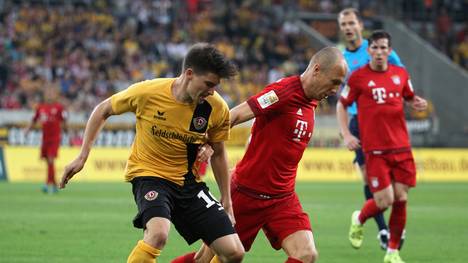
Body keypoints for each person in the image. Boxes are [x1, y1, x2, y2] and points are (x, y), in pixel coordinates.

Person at [59, 43, 245, 263]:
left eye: (215, 86)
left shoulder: (216, 107)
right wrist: (82, 156)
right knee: (158, 234)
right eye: (208, 84)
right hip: (150, 176)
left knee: (234, 253)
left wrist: (227, 199)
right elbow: (103, 109)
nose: (212, 91)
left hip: (188, 183)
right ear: (189, 74)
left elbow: (218, 152)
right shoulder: (148, 92)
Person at [172, 46, 348, 263]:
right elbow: (234, 115)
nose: (335, 90)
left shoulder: (312, 99)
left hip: (283, 198)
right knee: (205, 260)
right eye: (334, 82)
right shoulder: (282, 93)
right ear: (317, 70)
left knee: (306, 254)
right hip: (247, 195)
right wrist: (206, 142)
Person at [337, 30, 427, 263]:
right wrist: (346, 134)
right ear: (369, 51)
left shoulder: (400, 73)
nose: (379, 52)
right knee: (384, 201)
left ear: (389, 51)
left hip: (402, 148)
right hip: (375, 150)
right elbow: (342, 105)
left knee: (401, 198)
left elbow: (409, 96)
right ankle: (359, 218)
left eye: (383, 48)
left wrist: (416, 102)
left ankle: (392, 252)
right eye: (375, 48)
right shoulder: (358, 78)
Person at [337, 7, 405, 249]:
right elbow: (342, 97)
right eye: (343, 24)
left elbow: (401, 78)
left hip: (385, 125)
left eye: (350, 23)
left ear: (360, 24)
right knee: (368, 178)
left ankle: (392, 224)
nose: (347, 27)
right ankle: (384, 231)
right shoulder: (342, 59)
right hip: (358, 123)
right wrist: (345, 131)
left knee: (396, 182)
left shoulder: (380, 49)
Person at [25, 86, 67, 194]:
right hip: (45, 139)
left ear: (55, 95)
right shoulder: (40, 107)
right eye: (47, 93)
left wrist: (67, 132)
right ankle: (54, 183)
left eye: (51, 93)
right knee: (48, 162)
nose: (49, 95)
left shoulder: (59, 108)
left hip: (55, 138)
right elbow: (34, 119)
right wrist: (27, 129)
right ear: (44, 95)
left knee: (51, 159)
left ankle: (47, 184)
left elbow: (64, 121)